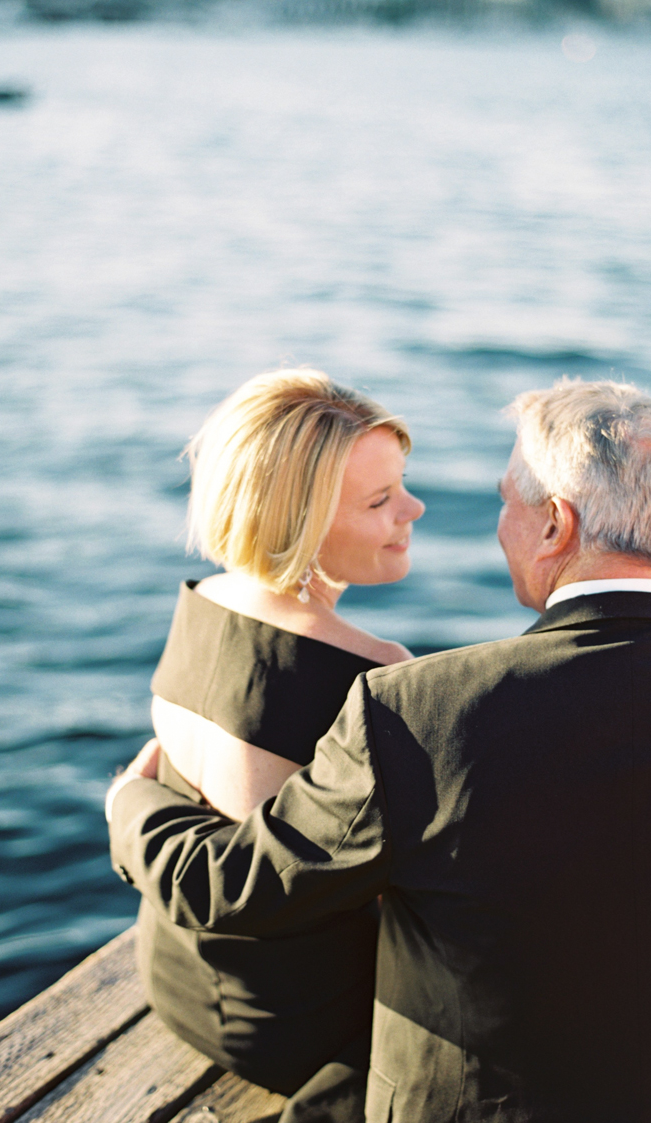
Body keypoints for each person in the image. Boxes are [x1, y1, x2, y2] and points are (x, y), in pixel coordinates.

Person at [109, 378, 651, 1122]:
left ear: (554, 527)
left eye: (508, 500)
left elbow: (237, 885)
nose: (488, 522)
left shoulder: (416, 712)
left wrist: (132, 800)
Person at [108, 368, 424, 1122]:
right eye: (380, 501)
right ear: (300, 522)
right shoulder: (379, 674)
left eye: (402, 484)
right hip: (311, 1030)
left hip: (177, 981)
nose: (413, 509)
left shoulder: (202, 602)